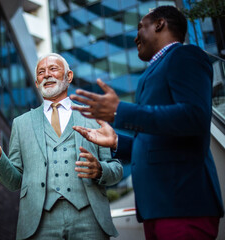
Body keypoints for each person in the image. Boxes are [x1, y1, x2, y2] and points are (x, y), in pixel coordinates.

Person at [70, 5, 224, 240]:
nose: (135, 36)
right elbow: (157, 143)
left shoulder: (185, 55)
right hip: (158, 208)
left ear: (160, 24)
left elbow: (194, 117)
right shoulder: (150, 74)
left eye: (140, 27)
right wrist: (116, 142)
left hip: (183, 205)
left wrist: (121, 111)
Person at [0, 53, 123, 240]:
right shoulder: (21, 124)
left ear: (68, 77)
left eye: (53, 69)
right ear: (37, 83)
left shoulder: (92, 117)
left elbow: (117, 169)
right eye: (41, 72)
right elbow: (14, 182)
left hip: (90, 218)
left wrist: (100, 170)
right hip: (39, 223)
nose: (46, 75)